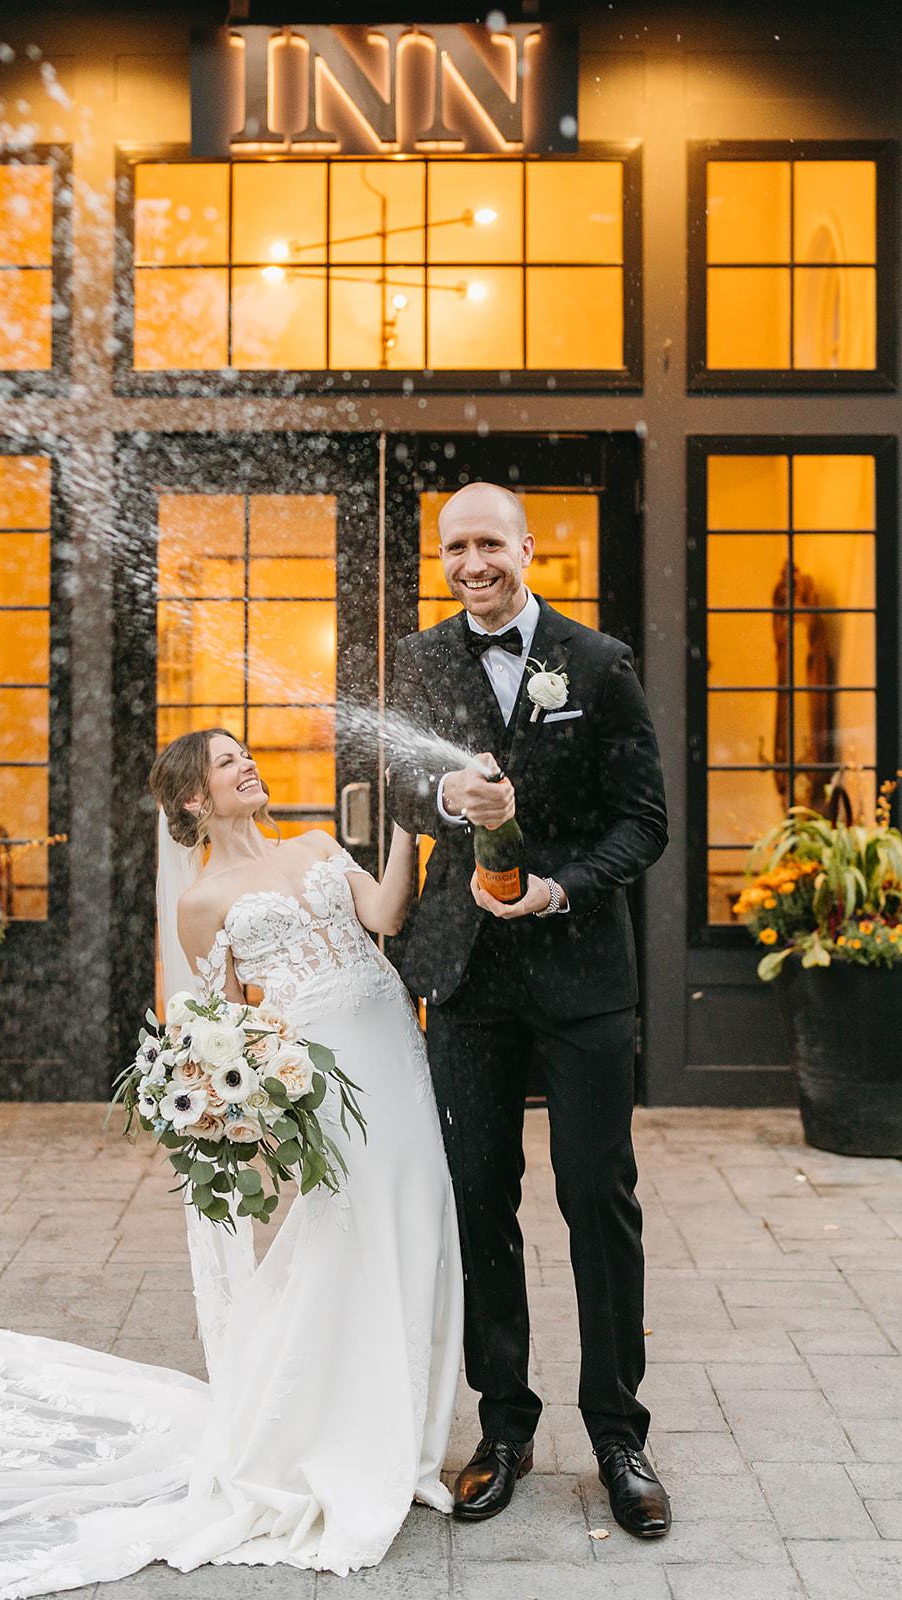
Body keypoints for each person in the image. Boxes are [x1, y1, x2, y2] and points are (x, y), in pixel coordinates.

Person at [0, 729, 463, 1597]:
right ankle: (345, 1432)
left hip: (392, 1043)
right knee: (350, 1233)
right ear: (196, 798)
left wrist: (405, 826)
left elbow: (386, 916)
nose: (248, 765)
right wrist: (253, 1110)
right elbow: (224, 1028)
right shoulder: (201, 903)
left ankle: (406, 1429)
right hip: (327, 1075)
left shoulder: (318, 845)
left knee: (421, 1214)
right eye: (229, 762)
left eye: (246, 755)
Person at [387, 481, 672, 1538]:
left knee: (597, 1196)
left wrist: (557, 887)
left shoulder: (596, 663)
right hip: (468, 980)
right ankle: (502, 1427)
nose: (472, 564)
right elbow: (390, 780)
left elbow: (643, 821)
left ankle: (619, 1433)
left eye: (489, 544)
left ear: (526, 548)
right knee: (478, 1198)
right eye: (454, 547)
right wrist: (443, 798)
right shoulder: (419, 660)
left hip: (582, 974)